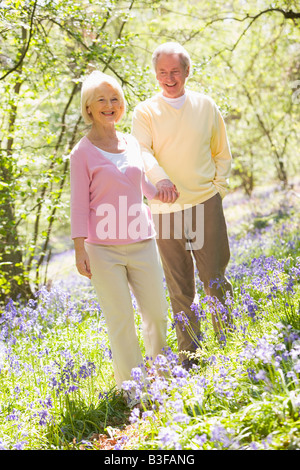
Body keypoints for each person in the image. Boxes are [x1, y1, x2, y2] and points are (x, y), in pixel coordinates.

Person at [70, 70, 170, 406]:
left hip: (142, 241)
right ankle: (135, 395)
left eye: (115, 99)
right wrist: (79, 248)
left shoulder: (131, 143)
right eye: (101, 99)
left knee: (156, 313)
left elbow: (141, 187)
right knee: (121, 320)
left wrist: (162, 193)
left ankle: (163, 381)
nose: (109, 105)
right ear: (88, 108)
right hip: (103, 251)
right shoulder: (81, 153)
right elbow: (79, 204)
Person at [132, 42, 233, 370]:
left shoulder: (205, 105)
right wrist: (160, 180)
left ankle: (230, 343)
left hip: (204, 203)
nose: (169, 78)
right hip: (166, 212)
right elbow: (142, 152)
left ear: (187, 71)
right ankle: (190, 356)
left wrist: (216, 189)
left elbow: (221, 152)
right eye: (162, 72)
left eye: (175, 71)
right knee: (179, 287)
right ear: (155, 74)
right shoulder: (145, 112)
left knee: (214, 277)